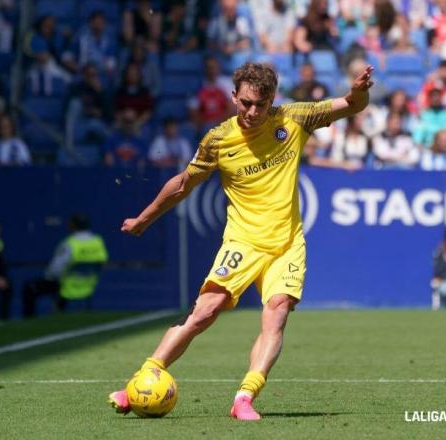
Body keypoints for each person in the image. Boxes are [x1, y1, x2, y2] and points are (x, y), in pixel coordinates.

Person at [108, 62, 374, 420]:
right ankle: (140, 381)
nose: (251, 112)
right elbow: (184, 184)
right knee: (204, 312)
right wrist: (145, 217)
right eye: (245, 103)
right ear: (234, 96)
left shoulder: (295, 119)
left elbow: (351, 105)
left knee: (277, 311)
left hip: (286, 243)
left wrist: (358, 91)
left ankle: (244, 398)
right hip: (243, 242)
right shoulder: (218, 140)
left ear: (272, 101)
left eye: (260, 105)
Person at [22, 214, 108, 318]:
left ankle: (30, 320)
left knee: (30, 287)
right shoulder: (97, 242)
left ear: (72, 226)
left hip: (66, 287)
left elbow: (54, 272)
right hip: (88, 286)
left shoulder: (70, 244)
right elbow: (101, 264)